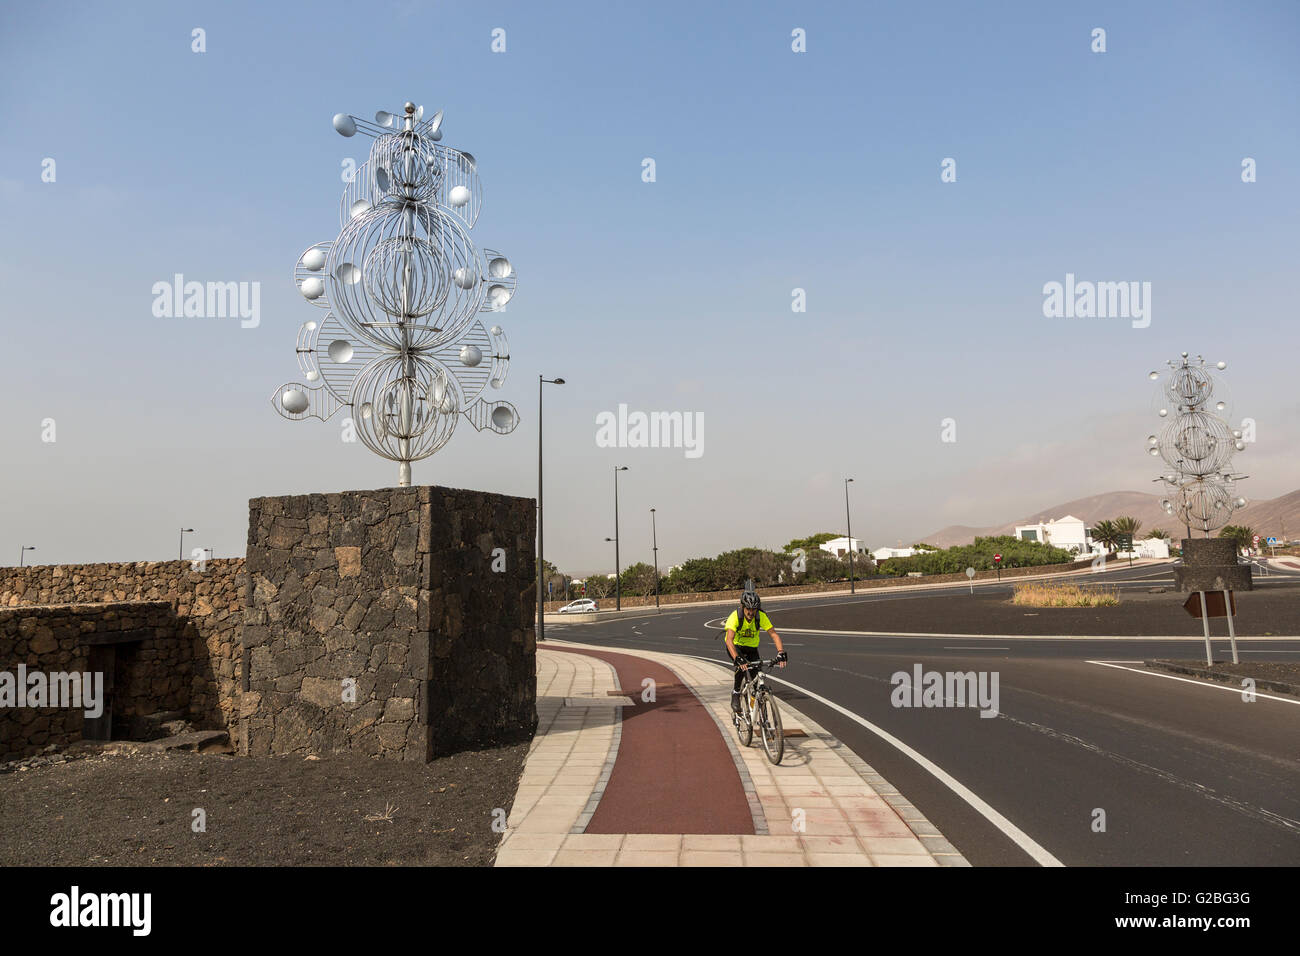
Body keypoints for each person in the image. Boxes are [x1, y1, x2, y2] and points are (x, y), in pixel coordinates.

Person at [723, 590, 787, 716]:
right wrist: (737, 658)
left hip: (752, 649)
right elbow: (729, 640)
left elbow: (774, 635)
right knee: (741, 667)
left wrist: (781, 652)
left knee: (756, 680)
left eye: (754, 609)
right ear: (743, 607)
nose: (751, 613)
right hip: (736, 647)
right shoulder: (735, 617)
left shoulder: (760, 616)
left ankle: (753, 708)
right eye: (748, 609)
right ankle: (736, 692)